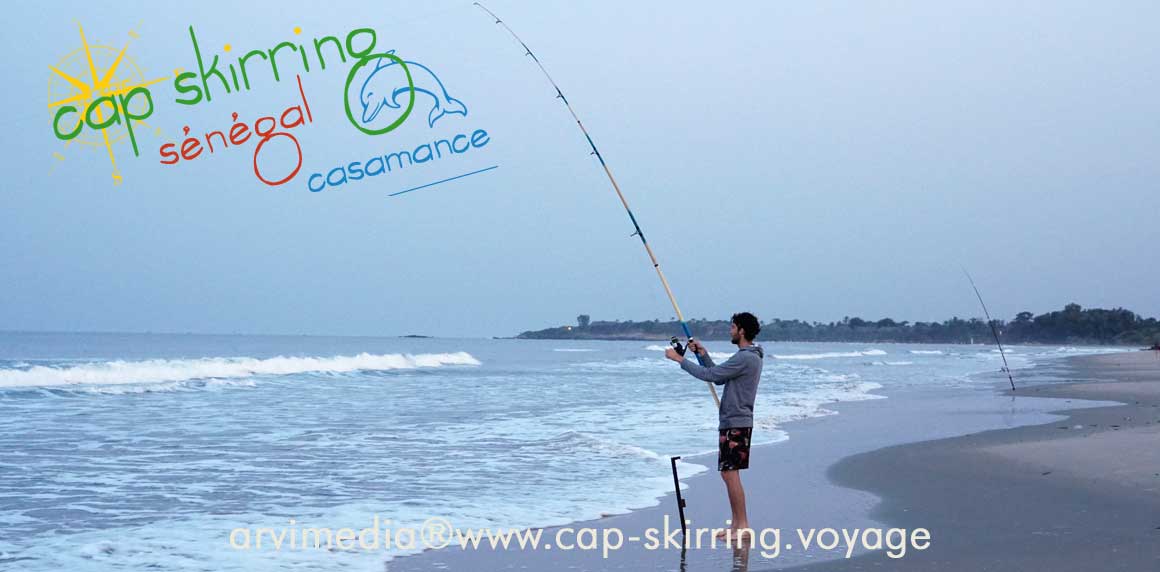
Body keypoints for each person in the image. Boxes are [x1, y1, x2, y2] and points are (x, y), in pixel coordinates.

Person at [665, 312, 764, 544]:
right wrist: (703, 354)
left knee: (730, 474)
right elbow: (719, 378)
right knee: (728, 474)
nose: (730, 330)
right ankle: (736, 526)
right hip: (735, 420)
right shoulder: (747, 357)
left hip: (736, 422)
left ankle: (743, 526)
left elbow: (709, 375)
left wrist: (681, 360)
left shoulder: (746, 358)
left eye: (732, 327)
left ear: (741, 331)